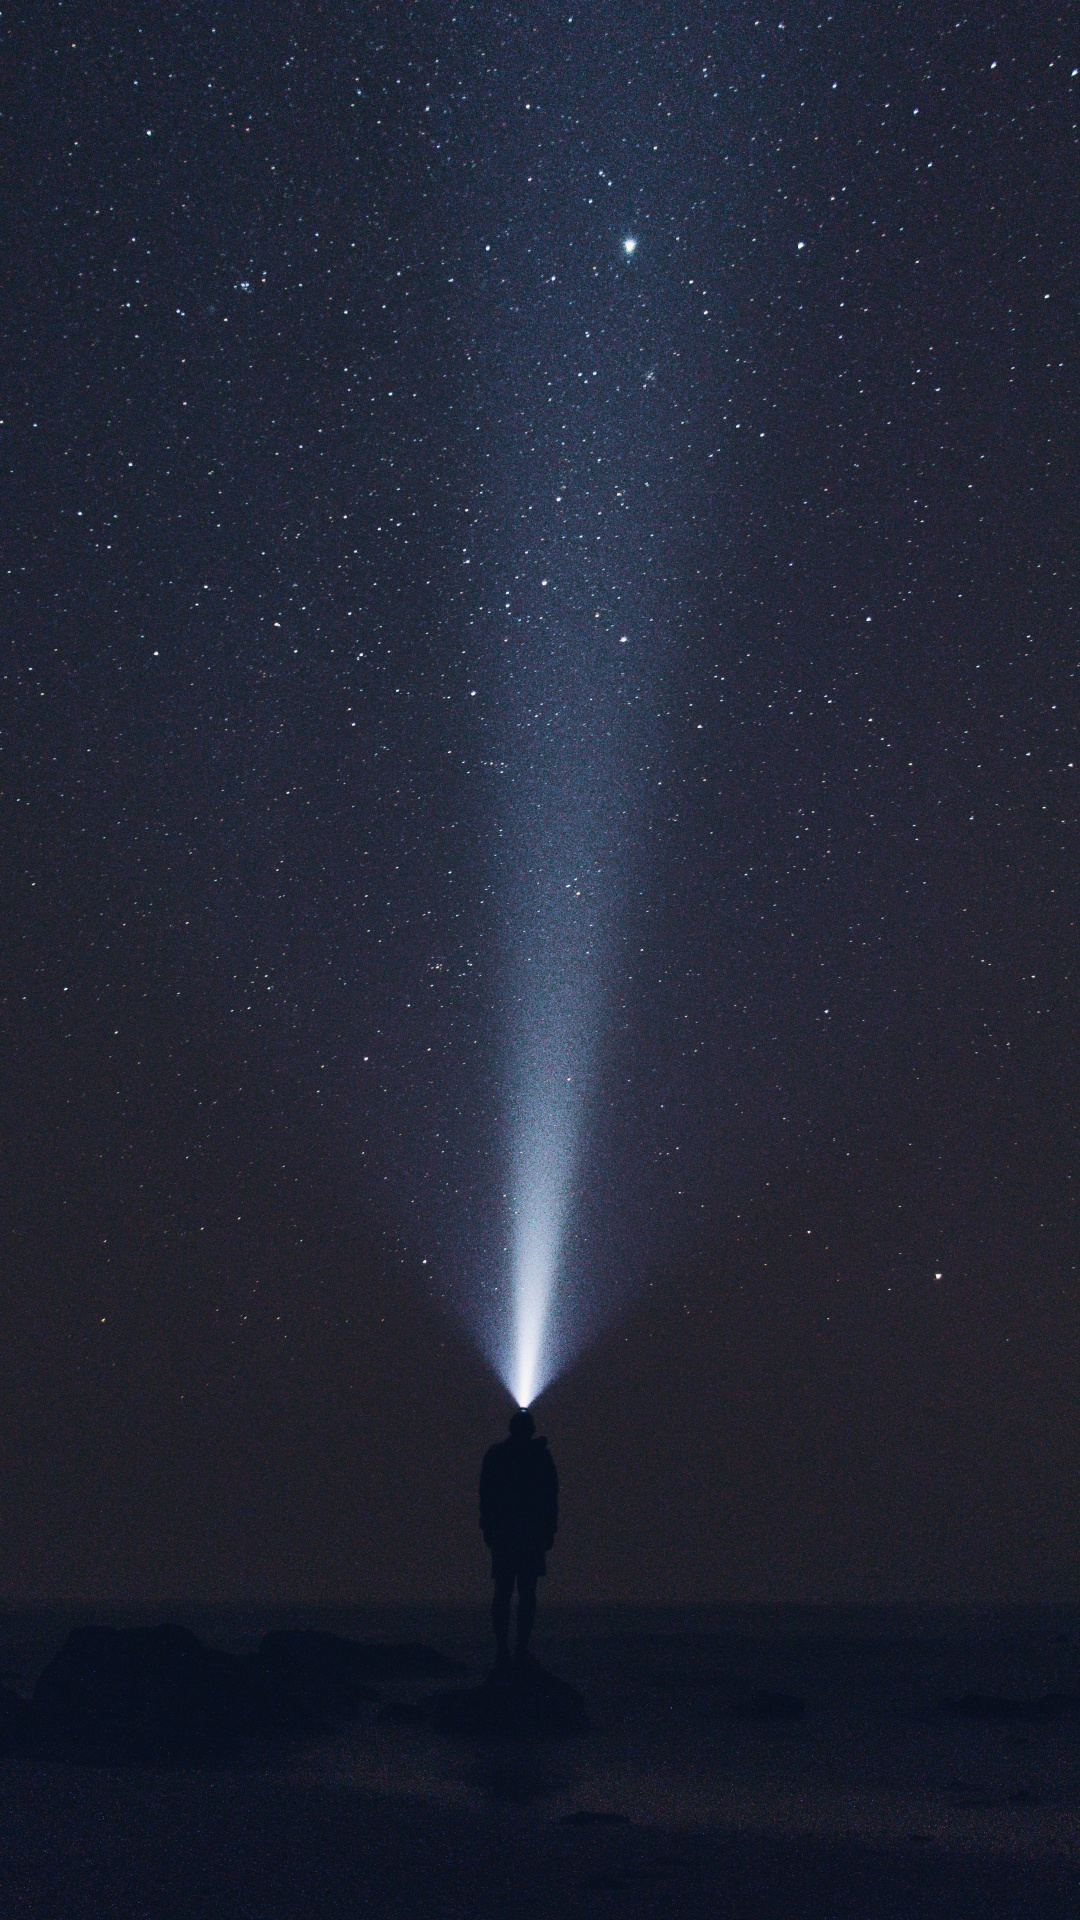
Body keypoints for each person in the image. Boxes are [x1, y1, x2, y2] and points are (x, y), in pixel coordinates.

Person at [479, 1407, 558, 1666]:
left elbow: (486, 1494)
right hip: (529, 1532)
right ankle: (519, 1649)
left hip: (505, 1531)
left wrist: (488, 1528)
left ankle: (504, 1649)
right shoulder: (540, 1457)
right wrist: (550, 1529)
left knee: (503, 1591)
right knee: (526, 1592)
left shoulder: (497, 1455)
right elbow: (551, 1495)